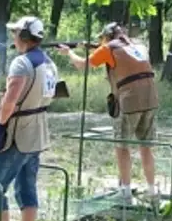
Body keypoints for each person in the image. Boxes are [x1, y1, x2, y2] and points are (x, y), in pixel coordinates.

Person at [0, 16, 59, 221]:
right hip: (37, 133)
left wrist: (1, 125)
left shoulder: (21, 64)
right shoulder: (49, 63)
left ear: (23, 37)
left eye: (16, 33)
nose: (13, 37)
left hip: (18, 133)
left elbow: (11, 100)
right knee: (27, 189)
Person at [57, 22, 159, 205]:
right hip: (151, 99)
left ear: (107, 37)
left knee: (122, 146)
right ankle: (152, 190)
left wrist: (69, 52)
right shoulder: (139, 45)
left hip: (130, 101)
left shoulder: (108, 48)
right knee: (146, 146)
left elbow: (82, 65)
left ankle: (125, 192)